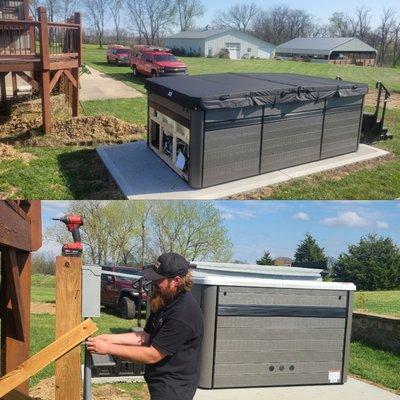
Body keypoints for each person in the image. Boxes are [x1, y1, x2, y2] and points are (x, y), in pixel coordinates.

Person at [87, 252, 204, 400]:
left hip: (173, 389)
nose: (154, 283)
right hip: (160, 383)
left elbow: (152, 355)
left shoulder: (183, 313)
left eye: (159, 280)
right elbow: (146, 336)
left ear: (176, 281)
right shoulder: (166, 300)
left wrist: (108, 349)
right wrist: (109, 339)